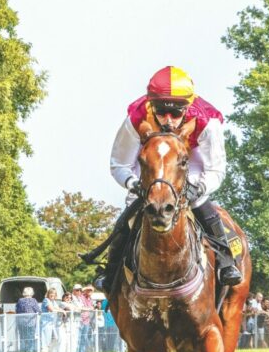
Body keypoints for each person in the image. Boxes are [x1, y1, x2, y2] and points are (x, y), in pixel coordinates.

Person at [89, 66, 242, 293]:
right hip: (149, 175)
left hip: (191, 170)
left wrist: (198, 189)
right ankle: (109, 271)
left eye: (176, 113)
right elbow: (119, 164)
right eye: (161, 111)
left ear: (188, 107)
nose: (168, 120)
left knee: (202, 207)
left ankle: (227, 263)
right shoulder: (136, 118)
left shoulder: (208, 122)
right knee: (128, 217)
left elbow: (216, 169)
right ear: (152, 104)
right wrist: (133, 184)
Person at [15, 287, 40, 352]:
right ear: (32, 293)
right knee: (30, 339)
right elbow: (38, 310)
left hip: (21, 323)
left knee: (23, 338)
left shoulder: (20, 300)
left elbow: (17, 311)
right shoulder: (33, 300)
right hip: (31, 323)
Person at [40, 287, 62, 352]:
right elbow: (51, 309)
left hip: (52, 323)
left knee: (56, 338)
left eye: (54, 294)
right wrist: (60, 311)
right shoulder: (46, 300)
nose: (53, 295)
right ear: (48, 294)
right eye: (51, 293)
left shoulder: (53, 301)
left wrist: (62, 310)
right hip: (45, 323)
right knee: (45, 341)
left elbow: (57, 308)